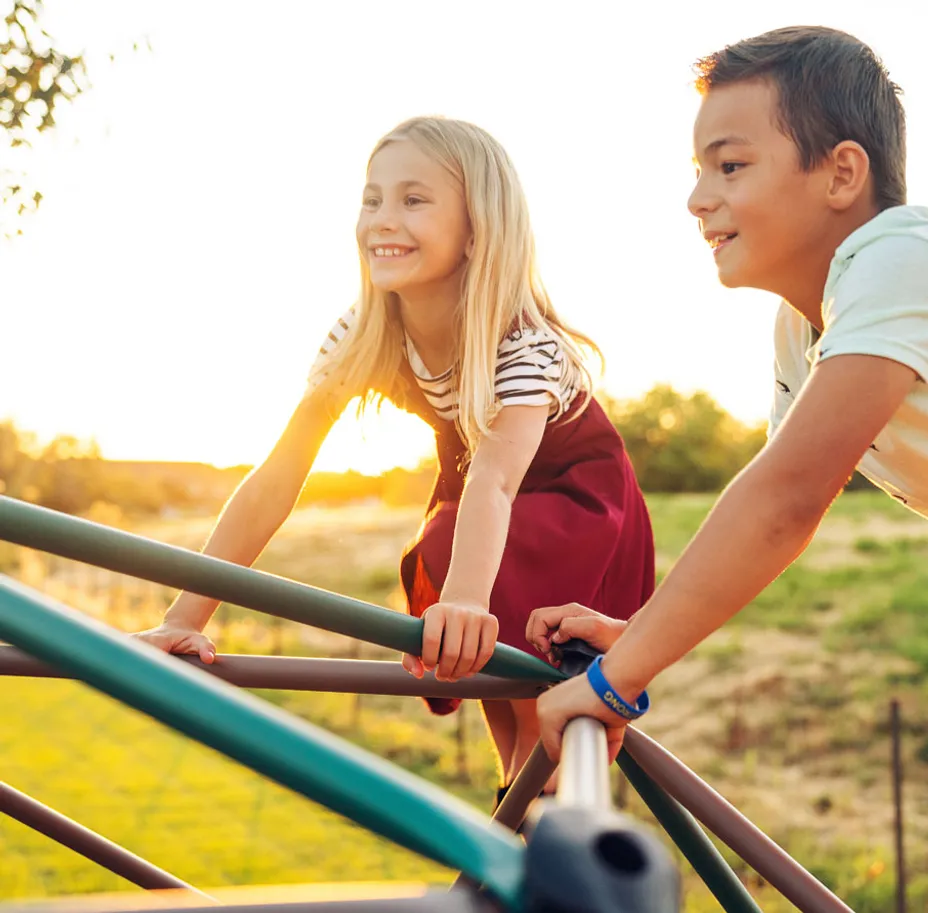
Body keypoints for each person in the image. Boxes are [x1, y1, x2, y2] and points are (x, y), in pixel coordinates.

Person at [526, 26, 928, 761]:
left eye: (730, 166)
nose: (697, 199)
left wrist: (615, 681)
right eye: (700, 170)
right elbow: (760, 526)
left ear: (841, 174)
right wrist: (637, 639)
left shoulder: (897, 261)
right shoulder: (805, 329)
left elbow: (786, 500)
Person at [137, 116, 655, 800]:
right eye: (372, 198)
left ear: (477, 228)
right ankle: (520, 802)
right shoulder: (363, 333)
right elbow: (277, 477)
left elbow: (497, 478)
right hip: (475, 506)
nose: (383, 218)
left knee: (527, 682)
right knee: (496, 689)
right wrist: (185, 617)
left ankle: (550, 807)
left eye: (413, 199)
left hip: (576, 504)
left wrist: (464, 598)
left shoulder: (522, 343)